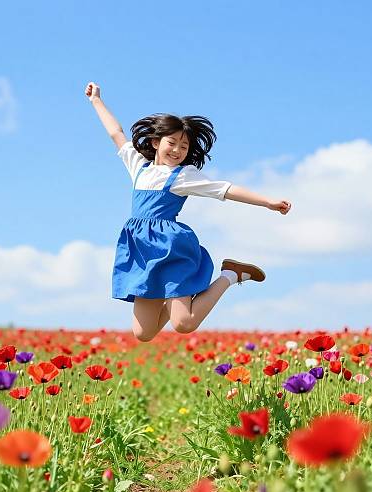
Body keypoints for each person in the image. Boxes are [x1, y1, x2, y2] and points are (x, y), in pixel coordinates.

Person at [85, 82, 291, 342]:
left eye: (184, 147)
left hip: (171, 249)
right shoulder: (138, 166)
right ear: (155, 142)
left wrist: (268, 202)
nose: (177, 150)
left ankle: (231, 275)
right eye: (172, 143)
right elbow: (116, 132)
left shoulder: (183, 175)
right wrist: (96, 101)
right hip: (142, 251)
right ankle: (173, 291)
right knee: (143, 333)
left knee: (184, 323)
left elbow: (225, 189)